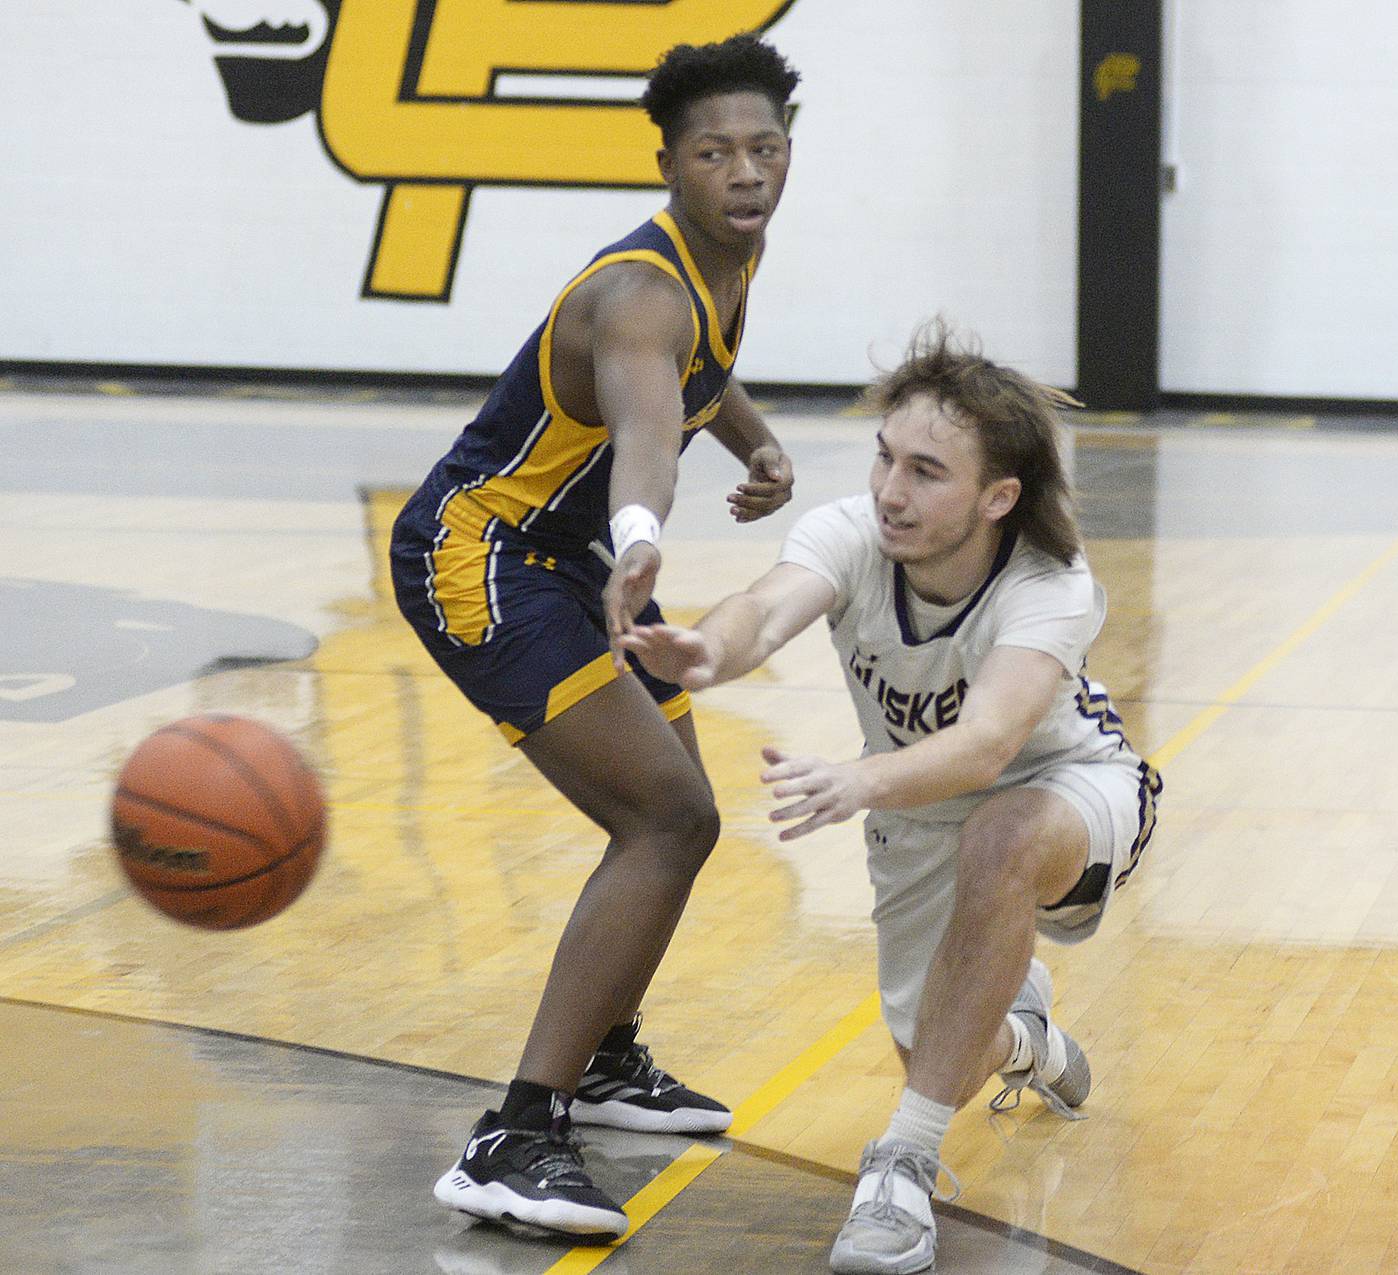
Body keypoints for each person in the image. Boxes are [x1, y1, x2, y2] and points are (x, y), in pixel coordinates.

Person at [618, 320, 1163, 1274]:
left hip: (1070, 789)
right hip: (916, 806)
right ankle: (1024, 1038)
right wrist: (710, 649)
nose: (890, 492)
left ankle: (901, 1168)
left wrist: (855, 780)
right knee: (941, 1057)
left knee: (1000, 836)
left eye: (925, 472)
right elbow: (770, 602)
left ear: (999, 496)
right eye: (884, 459)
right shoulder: (853, 535)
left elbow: (991, 745)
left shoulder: (1051, 582)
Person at [389, 34, 801, 1242]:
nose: (745, 171)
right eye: (716, 152)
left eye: (765, 149)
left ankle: (608, 1057)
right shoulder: (641, 290)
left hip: (564, 563)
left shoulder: (729, 259)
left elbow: (699, 381)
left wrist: (759, 444)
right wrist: (639, 536)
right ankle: (514, 1136)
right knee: (666, 818)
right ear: (668, 162)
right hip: (483, 554)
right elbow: (642, 418)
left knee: (678, 809)